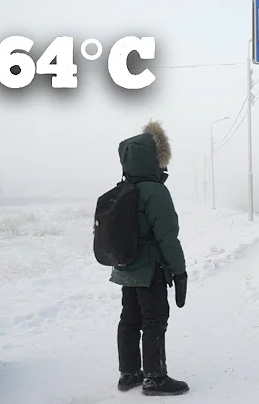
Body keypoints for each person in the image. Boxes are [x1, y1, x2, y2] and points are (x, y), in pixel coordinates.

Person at [110, 120, 189, 396]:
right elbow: (167, 237)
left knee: (129, 319)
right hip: (150, 270)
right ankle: (155, 378)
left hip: (126, 267)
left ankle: (129, 373)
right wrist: (180, 272)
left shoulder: (125, 188)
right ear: (154, 159)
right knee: (154, 319)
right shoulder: (155, 192)